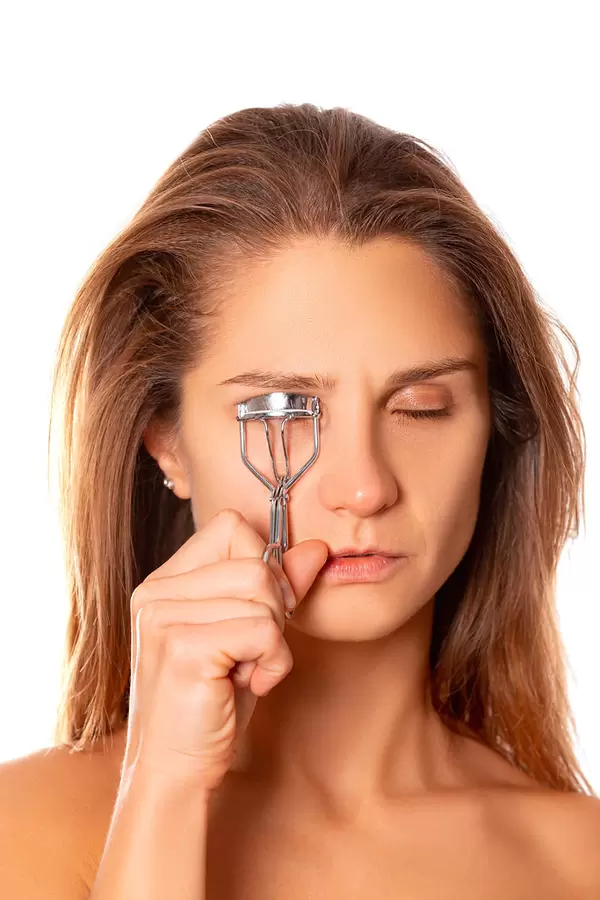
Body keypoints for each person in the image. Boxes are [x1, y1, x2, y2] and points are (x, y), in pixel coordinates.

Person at [0, 102, 598, 899]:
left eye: (420, 407)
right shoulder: (22, 833)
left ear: (496, 429)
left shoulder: (577, 862)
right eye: (285, 405)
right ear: (165, 441)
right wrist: (163, 796)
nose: (363, 486)